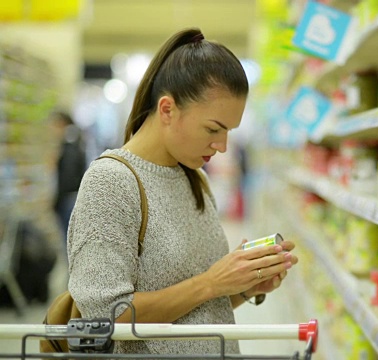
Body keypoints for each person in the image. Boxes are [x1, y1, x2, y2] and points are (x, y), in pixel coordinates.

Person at [67, 28, 298, 356]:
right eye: (213, 129)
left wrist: (243, 285)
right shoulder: (111, 183)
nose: (222, 145)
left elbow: (197, 308)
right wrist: (211, 282)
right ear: (167, 110)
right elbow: (106, 317)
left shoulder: (194, 178)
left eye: (229, 131)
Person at [51, 111, 86, 256]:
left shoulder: (70, 144)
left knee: (69, 243)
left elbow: (68, 176)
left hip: (68, 199)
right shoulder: (76, 140)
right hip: (71, 197)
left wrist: (57, 200)